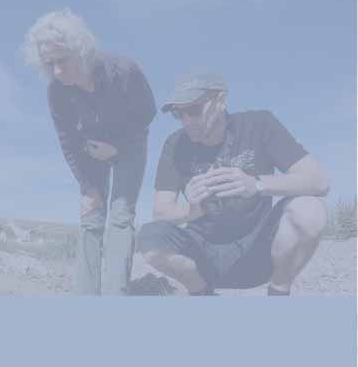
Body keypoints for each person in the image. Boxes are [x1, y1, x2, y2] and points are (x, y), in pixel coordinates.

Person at [137, 71, 329, 295]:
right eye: (178, 114)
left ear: (220, 101)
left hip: (260, 252)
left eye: (193, 110)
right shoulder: (175, 144)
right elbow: (161, 213)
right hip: (203, 256)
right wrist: (193, 208)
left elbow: (319, 181)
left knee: (309, 209)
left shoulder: (260, 125)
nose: (186, 121)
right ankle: (202, 293)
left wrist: (257, 185)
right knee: (150, 239)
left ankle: (278, 291)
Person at [23, 9, 156, 294]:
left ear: (80, 49)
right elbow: (67, 141)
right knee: (91, 217)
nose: (57, 71)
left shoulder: (124, 70)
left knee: (121, 215)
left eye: (62, 60)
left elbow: (147, 112)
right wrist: (87, 187)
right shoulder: (56, 92)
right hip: (91, 149)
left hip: (130, 144)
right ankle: (87, 295)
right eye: (50, 64)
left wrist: (117, 148)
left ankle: (115, 293)